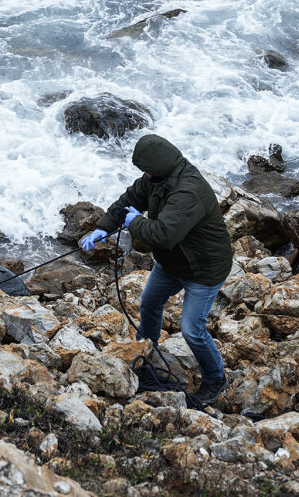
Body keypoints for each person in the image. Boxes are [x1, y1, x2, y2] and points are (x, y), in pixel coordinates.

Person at [80, 134, 233, 403]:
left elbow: (163, 234)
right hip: (172, 263)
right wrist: (103, 227)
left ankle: (216, 379)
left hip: (204, 270)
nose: (145, 175)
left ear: (159, 166)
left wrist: (134, 221)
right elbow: (127, 201)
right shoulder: (155, 179)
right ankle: (145, 352)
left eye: (147, 170)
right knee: (149, 303)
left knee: (191, 329)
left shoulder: (188, 191)